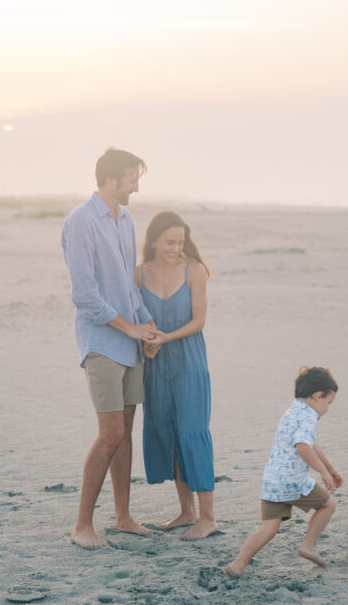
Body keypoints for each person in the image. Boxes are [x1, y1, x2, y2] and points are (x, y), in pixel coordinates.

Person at [61, 147, 158, 550]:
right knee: (111, 433)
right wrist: (129, 328)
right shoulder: (80, 221)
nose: (136, 187)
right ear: (112, 179)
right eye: (132, 179)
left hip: (130, 341)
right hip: (101, 342)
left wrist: (146, 326)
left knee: (126, 432)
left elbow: (127, 285)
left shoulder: (126, 219)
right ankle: (82, 525)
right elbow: (85, 296)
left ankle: (123, 517)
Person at [135, 211, 216, 540]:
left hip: (190, 362)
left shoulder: (193, 270)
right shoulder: (139, 274)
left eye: (181, 242)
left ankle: (208, 518)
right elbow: (136, 318)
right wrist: (147, 343)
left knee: (193, 432)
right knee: (169, 432)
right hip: (155, 366)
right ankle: (187, 512)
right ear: (154, 241)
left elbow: (199, 321)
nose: (176, 248)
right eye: (170, 242)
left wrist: (166, 338)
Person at [225, 366, 343, 578]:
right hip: (293, 481)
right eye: (329, 402)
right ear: (318, 396)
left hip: (273, 481)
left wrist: (330, 468)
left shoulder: (294, 409)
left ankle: (237, 564)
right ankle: (308, 545)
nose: (327, 408)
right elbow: (303, 447)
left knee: (268, 529)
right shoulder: (308, 417)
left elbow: (311, 443)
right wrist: (324, 473)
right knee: (328, 505)